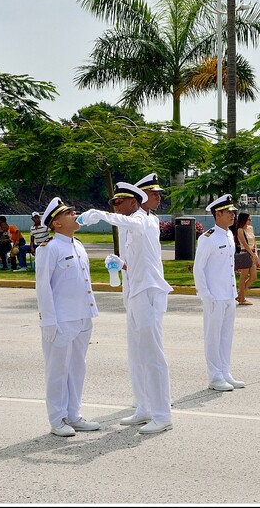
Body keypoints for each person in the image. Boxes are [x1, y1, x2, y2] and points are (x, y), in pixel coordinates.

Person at [78, 177, 175, 435]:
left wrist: (100, 214)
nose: (116, 207)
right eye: (113, 204)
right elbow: (139, 262)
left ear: (133, 201)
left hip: (149, 293)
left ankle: (162, 414)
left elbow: (129, 221)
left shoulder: (144, 219)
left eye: (118, 202)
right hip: (134, 293)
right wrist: (120, 265)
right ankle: (144, 407)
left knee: (153, 354)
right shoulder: (130, 226)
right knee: (136, 354)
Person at [35, 196, 100, 437]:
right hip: (61, 320)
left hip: (82, 318)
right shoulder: (49, 249)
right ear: (56, 224)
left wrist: (90, 312)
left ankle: (74, 414)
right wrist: (48, 321)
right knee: (57, 370)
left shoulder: (78, 245)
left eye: (73, 211)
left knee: (77, 368)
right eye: (68, 213)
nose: (75, 214)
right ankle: (57, 419)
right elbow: (43, 287)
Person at [193, 194, 244, 392]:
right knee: (212, 337)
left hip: (228, 295)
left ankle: (225, 372)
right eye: (229, 212)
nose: (233, 215)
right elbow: (199, 268)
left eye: (233, 212)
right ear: (218, 213)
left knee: (226, 336)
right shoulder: (208, 238)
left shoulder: (229, 235)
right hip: (214, 296)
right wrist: (206, 295)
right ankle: (215, 377)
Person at [235, 212, 260, 306]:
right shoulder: (240, 230)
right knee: (244, 276)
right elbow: (244, 244)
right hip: (245, 253)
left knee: (254, 277)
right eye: (248, 219)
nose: (250, 221)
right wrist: (251, 254)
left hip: (252, 253)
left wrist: (255, 253)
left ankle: (239, 293)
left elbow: (254, 241)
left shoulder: (250, 228)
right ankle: (242, 298)